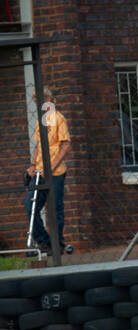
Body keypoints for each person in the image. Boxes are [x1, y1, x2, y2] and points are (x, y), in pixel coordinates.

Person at [25, 88, 72, 255]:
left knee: (55, 208)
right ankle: (45, 241)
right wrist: (32, 164)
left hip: (56, 172)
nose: (38, 103)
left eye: (41, 99)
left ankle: (58, 243)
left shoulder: (59, 118)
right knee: (30, 205)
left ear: (49, 99)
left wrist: (50, 167)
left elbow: (65, 146)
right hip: (39, 172)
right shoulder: (40, 120)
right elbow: (38, 146)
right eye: (36, 100)